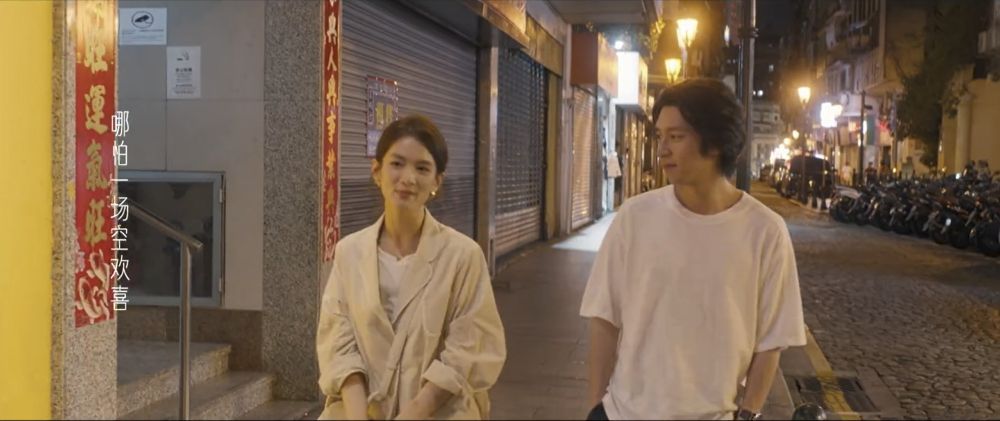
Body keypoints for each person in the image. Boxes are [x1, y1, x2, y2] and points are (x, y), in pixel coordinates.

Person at [580, 78, 807, 421]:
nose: (661, 150)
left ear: (714, 143)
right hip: (624, 413)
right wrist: (596, 406)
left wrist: (748, 414)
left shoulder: (765, 231)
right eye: (660, 136)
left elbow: (772, 339)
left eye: (676, 136)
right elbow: (604, 317)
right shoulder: (635, 217)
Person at [317, 115, 506, 420]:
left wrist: (413, 414)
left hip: (437, 412)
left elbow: (469, 348)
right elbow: (338, 341)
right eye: (397, 163)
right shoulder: (349, 253)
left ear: (437, 182)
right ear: (376, 171)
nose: (408, 178)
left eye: (422, 168)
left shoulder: (462, 256)